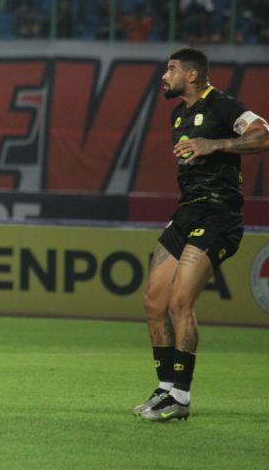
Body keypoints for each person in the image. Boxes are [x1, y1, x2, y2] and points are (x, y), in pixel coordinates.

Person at [133, 48, 268, 422]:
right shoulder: (179, 115)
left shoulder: (222, 105)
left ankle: (181, 397)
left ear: (192, 76)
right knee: (153, 302)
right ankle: (164, 390)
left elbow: (264, 135)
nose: (165, 75)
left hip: (220, 213)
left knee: (180, 302)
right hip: (187, 210)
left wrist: (215, 144)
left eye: (172, 69)